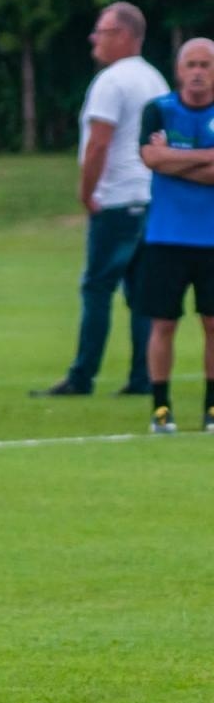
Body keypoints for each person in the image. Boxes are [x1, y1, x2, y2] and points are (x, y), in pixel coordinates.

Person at [32, 2, 168, 398]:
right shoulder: (155, 80)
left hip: (117, 200)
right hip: (150, 198)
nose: (94, 38)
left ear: (124, 36)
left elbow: (99, 144)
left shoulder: (110, 82)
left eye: (102, 31)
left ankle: (82, 375)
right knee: (141, 292)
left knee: (97, 287)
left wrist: (87, 190)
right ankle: (143, 376)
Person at [136, 38, 214, 433]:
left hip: (212, 238)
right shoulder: (158, 111)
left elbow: (163, 161)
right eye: (191, 65)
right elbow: (150, 159)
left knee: (212, 324)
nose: (198, 72)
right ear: (178, 70)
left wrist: (172, 161)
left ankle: (212, 407)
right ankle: (161, 407)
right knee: (163, 324)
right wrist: (205, 158)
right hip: (166, 236)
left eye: (205, 64)